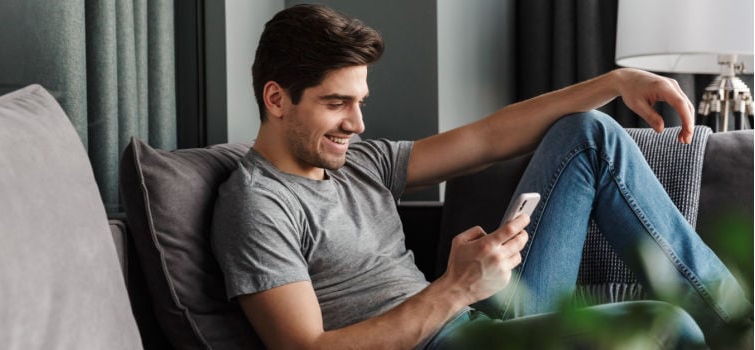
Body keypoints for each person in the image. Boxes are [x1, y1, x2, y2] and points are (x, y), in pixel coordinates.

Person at [212, 4, 752, 349]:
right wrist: (455, 289)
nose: (357, 123)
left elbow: (487, 138)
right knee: (663, 326)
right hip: (441, 336)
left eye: (359, 101)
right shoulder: (257, 205)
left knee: (590, 133)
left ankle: (740, 325)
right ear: (277, 99)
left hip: (473, 323)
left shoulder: (359, 163)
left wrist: (614, 81)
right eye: (337, 104)